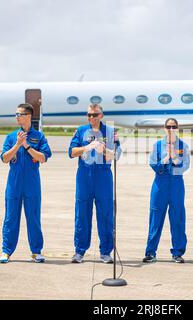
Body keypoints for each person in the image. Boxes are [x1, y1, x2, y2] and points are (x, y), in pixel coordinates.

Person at [0, 103, 52, 264]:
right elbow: (4, 158)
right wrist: (17, 144)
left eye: (19, 114)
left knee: (33, 217)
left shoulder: (39, 137)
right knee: (10, 217)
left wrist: (27, 146)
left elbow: (43, 157)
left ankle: (36, 252)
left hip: (32, 184)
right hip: (14, 183)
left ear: (29, 116)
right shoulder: (11, 136)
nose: (17, 117)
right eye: (16, 114)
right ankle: (6, 251)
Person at [68, 104, 121, 264]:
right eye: (89, 115)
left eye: (95, 114)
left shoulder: (111, 132)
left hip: (103, 178)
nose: (92, 117)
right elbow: (71, 152)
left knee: (105, 214)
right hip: (84, 177)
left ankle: (105, 252)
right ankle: (79, 251)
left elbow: (117, 155)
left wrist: (103, 150)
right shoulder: (81, 130)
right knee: (82, 214)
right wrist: (87, 147)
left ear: (101, 115)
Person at [143, 118, 190, 264]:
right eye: (168, 126)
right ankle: (150, 252)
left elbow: (185, 166)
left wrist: (174, 157)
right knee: (155, 217)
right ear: (164, 128)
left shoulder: (183, 145)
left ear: (177, 128)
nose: (171, 129)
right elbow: (153, 163)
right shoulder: (158, 145)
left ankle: (177, 252)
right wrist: (166, 158)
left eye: (174, 127)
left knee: (178, 218)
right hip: (160, 184)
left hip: (176, 184)